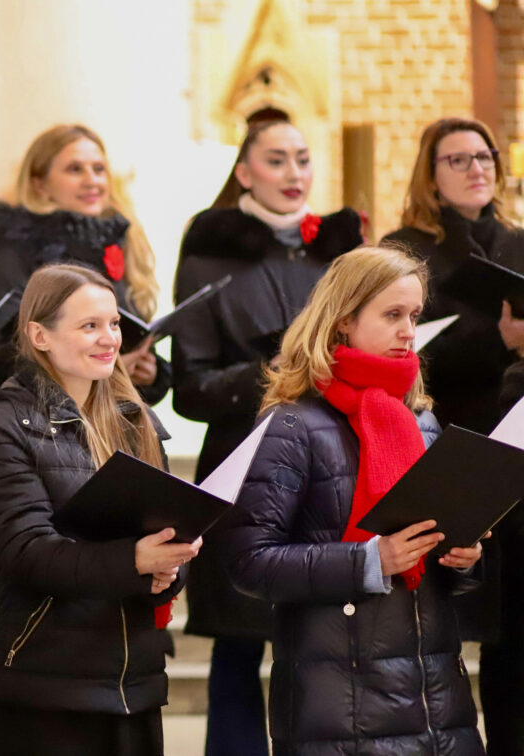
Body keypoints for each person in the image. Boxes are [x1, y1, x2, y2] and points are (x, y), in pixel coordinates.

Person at [223, 245, 485, 754]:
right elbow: (248, 562)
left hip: (438, 703)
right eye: (392, 315)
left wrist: (465, 554)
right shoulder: (292, 424)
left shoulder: (421, 420)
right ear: (344, 320)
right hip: (340, 709)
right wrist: (369, 560)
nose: (408, 331)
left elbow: (438, 561)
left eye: (414, 316)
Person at [169, 118, 362, 756]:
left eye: (302, 158)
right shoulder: (208, 255)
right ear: (245, 173)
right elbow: (191, 389)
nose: (294, 173)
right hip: (245, 470)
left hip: (334, 465)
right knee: (240, 642)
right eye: (276, 160)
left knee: (328, 641)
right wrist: (279, 368)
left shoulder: (341, 254)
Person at [0, 263, 201, 755]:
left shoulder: (135, 418)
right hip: (46, 683)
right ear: (40, 335)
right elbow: (23, 551)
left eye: (113, 323)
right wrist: (134, 560)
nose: (110, 338)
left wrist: (170, 565)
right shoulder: (5, 421)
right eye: (90, 325)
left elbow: (161, 534)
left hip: (133, 683)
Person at [382, 117, 524, 754]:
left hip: (516, 436)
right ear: (430, 173)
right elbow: (405, 353)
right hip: (444, 442)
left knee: (515, 628)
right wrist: (501, 341)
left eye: (484, 156)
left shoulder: (519, 242)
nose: (476, 168)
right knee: (465, 623)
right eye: (458, 159)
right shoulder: (406, 251)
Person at [0, 124, 170, 405]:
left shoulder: (123, 244)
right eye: (75, 169)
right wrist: (102, 371)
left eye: (99, 169)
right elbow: (3, 363)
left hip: (117, 420)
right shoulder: (11, 257)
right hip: (44, 423)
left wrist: (149, 373)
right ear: (40, 184)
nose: (92, 181)